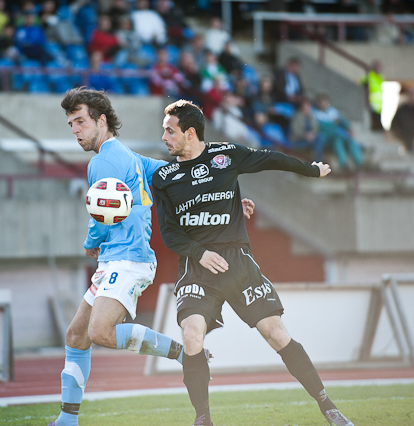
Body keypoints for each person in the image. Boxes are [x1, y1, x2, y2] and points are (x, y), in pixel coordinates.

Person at [49, 87, 254, 426]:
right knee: (76, 336)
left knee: (100, 332)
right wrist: (230, 201)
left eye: (81, 122)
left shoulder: (102, 162)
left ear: (101, 121)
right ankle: (67, 420)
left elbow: (101, 216)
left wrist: (89, 242)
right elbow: (184, 177)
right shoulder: (132, 158)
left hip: (127, 260)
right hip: (118, 261)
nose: (75, 130)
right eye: (71, 124)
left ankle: (182, 353)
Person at [151, 99, 354, 426]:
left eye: (169, 131)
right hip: (197, 267)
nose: (164, 137)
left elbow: (269, 158)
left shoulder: (225, 156)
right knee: (191, 335)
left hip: (238, 263)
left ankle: (327, 405)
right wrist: (200, 252)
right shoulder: (164, 176)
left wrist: (310, 169)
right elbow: (169, 233)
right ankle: (203, 417)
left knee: (276, 333)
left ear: (190, 133)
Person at [313, 94, 364, 171]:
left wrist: (348, 128)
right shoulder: (315, 114)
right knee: (339, 140)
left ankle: (360, 163)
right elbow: (323, 128)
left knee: (347, 140)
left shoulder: (332, 111)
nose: (323, 104)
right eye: (321, 102)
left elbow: (343, 121)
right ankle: (343, 164)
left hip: (338, 136)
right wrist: (333, 123)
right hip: (327, 139)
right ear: (318, 103)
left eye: (325, 101)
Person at [390, 86, 414, 153]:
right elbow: (393, 124)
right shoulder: (401, 110)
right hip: (404, 138)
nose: (412, 97)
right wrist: (400, 135)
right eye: (410, 94)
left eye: (413, 95)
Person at [361, 60, 385, 131]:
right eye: (377, 66)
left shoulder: (380, 77)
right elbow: (364, 88)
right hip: (371, 103)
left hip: (379, 105)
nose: (378, 68)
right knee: (372, 122)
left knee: (378, 122)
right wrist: (367, 102)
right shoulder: (369, 76)